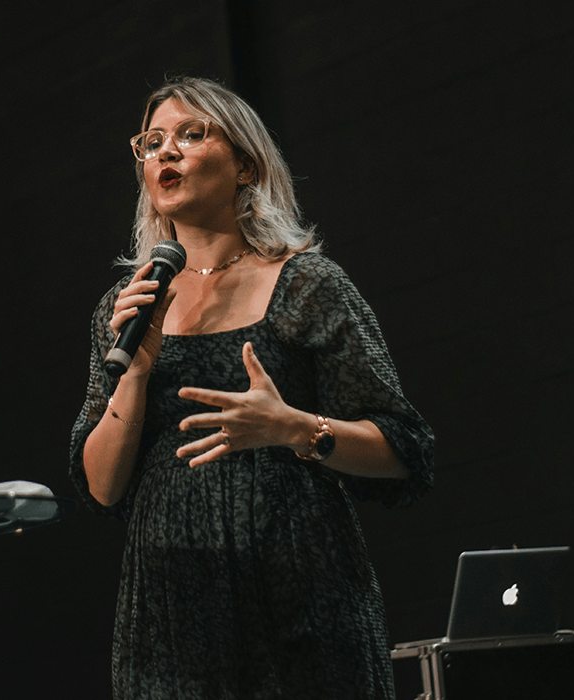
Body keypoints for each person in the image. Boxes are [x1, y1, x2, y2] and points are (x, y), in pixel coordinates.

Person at [69, 76, 434, 700]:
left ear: (244, 164)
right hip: (172, 617)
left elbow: (404, 450)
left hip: (302, 604)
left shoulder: (307, 283)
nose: (166, 152)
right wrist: (135, 371)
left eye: (191, 134)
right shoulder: (123, 306)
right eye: (152, 142)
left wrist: (292, 427)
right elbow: (101, 485)